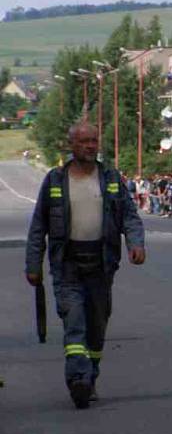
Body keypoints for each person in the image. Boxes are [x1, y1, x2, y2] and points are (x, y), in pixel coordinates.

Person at [25, 119, 145, 409]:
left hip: (102, 265)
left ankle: (90, 376)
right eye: (84, 141)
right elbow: (38, 225)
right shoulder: (55, 180)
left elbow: (129, 215)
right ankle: (78, 379)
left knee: (96, 327)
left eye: (94, 140)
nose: (91, 146)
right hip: (67, 265)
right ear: (71, 145)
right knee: (75, 322)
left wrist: (136, 242)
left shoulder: (111, 178)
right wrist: (33, 264)